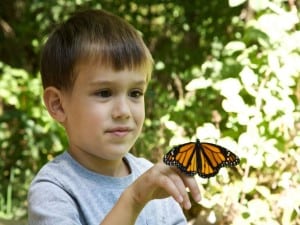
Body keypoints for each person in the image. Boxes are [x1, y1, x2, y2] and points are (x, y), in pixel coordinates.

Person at [28, 9, 201, 225]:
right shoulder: (54, 189)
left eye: (135, 93)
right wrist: (134, 198)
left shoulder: (151, 178)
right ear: (58, 105)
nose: (124, 111)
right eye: (104, 93)